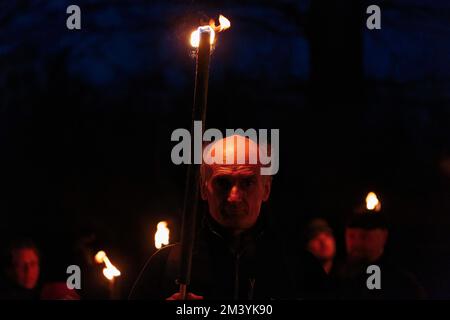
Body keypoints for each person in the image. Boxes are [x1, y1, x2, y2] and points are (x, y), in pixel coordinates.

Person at [129, 134, 328, 300]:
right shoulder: (168, 266)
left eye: (247, 183)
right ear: (203, 189)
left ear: (266, 189)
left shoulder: (299, 268)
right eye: (222, 183)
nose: (233, 197)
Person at [336, 211, 426, 299]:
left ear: (383, 236)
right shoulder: (338, 276)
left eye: (364, 236)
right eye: (351, 236)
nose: (357, 243)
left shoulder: (400, 283)